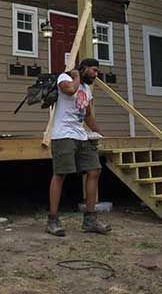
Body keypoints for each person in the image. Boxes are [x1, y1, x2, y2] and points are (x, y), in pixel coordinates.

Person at [46, 58, 111, 236]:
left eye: (97, 71)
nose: (96, 75)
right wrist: (75, 76)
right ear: (83, 69)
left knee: (94, 170)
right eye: (93, 70)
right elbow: (69, 90)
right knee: (60, 174)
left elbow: (87, 115)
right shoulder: (64, 78)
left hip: (81, 135)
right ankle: (52, 220)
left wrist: (99, 132)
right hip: (63, 135)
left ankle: (90, 220)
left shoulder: (87, 90)